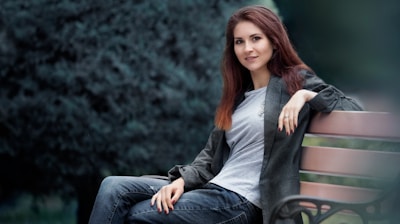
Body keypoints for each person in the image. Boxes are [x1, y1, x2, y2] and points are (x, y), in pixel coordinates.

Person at [88, 5, 363, 224]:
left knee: (136, 215)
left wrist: (304, 96)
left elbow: (352, 109)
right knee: (112, 186)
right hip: (211, 191)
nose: (248, 49)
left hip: (242, 203)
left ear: (274, 42)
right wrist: (183, 182)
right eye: (239, 42)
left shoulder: (294, 82)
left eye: (256, 39)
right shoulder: (238, 96)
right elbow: (209, 158)